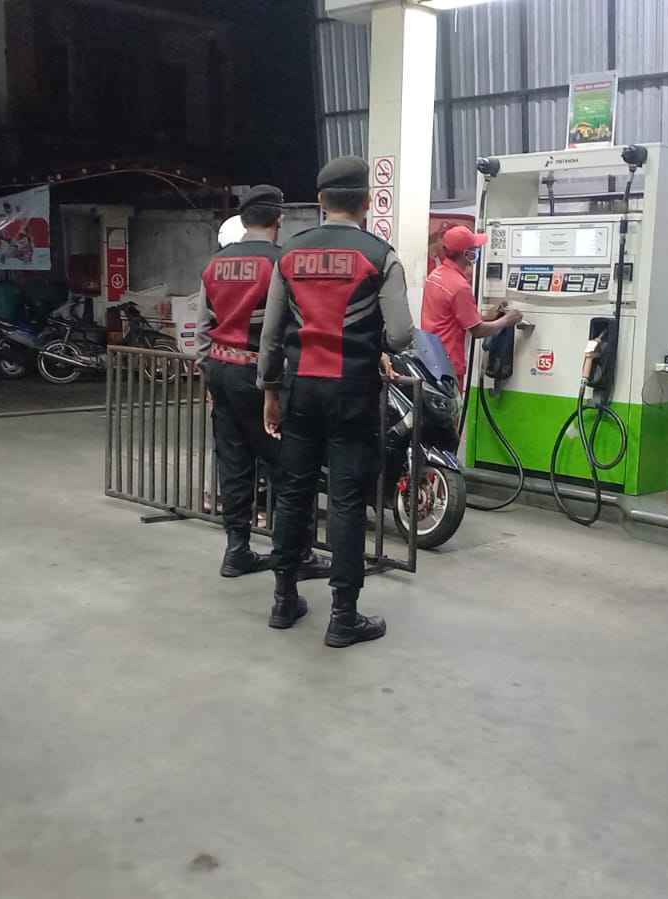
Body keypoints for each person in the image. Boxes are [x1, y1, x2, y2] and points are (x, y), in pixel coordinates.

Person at [257, 156, 414, 648]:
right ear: (367, 201)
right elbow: (402, 334)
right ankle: (343, 615)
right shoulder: (381, 256)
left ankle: (284, 598)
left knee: (293, 492)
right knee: (346, 500)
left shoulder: (289, 253)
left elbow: (271, 334)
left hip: (300, 388)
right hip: (353, 390)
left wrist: (270, 392)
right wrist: (374, 344)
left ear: (321, 200)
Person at [198, 187, 330, 582]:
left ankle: (236, 550)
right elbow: (301, 322)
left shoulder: (214, 264)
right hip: (263, 377)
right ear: (279, 219)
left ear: (243, 220)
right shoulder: (284, 261)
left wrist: (208, 376)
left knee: (234, 464)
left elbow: (203, 327)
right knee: (291, 468)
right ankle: (298, 554)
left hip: (221, 370)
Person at [420, 225, 523, 391]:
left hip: (431, 359)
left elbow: (452, 316)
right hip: (449, 364)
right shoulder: (459, 286)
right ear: (467, 254)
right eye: (474, 248)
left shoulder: (436, 276)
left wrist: (485, 317)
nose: (477, 251)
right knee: (450, 407)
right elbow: (478, 331)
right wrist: (506, 320)